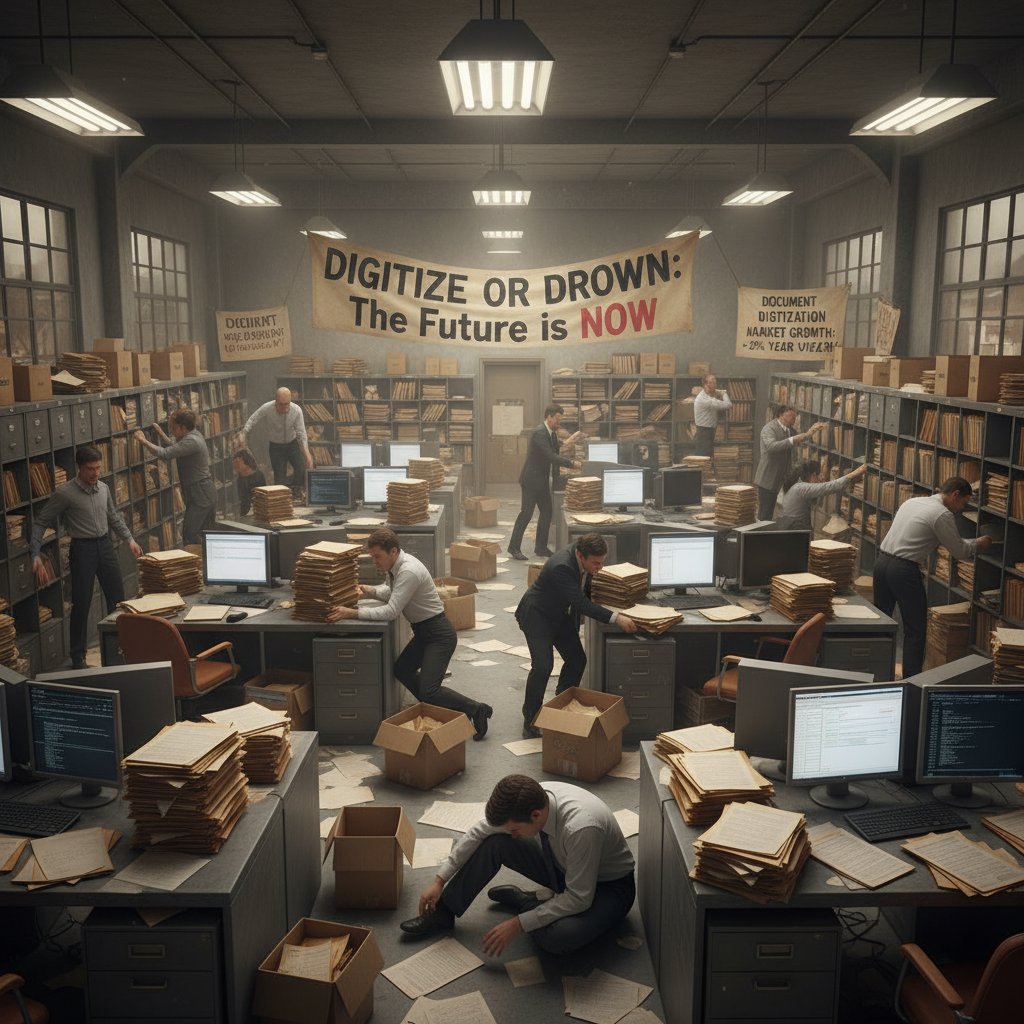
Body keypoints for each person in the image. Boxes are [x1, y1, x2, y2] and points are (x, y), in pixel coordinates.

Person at [400, 774, 635, 957]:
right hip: (563, 865)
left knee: (557, 938)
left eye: (515, 829)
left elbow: (579, 898)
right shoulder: (534, 797)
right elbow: (480, 830)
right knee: (495, 842)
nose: (513, 834)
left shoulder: (581, 828)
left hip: (608, 888)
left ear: (536, 815)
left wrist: (519, 924)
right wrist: (439, 880)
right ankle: (444, 912)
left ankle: (529, 903)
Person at [335, 527, 492, 739]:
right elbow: (393, 592)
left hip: (438, 634)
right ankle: (436, 708)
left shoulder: (408, 571)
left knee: (429, 690)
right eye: (372, 557)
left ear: (393, 551)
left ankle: (476, 709)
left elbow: (391, 610)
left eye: (377, 557)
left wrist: (352, 613)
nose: (375, 562)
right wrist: (369, 591)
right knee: (402, 669)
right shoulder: (396, 566)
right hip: (424, 632)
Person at [515, 533, 637, 738]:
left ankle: (562, 702)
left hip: (558, 613)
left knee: (577, 660)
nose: (600, 567)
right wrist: (616, 618)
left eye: (602, 562)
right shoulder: (562, 567)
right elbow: (580, 603)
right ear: (581, 556)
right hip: (537, 615)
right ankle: (530, 719)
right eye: (596, 563)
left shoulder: (580, 552)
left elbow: (583, 587)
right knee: (543, 666)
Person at [30, 447, 143, 669]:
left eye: (98, 467)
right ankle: (78, 656)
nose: (95, 473)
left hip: (105, 546)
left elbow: (113, 517)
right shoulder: (65, 493)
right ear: (79, 468)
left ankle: (120, 648)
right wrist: (35, 554)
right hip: (82, 549)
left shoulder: (104, 488)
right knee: (81, 603)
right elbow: (41, 521)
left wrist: (129, 539)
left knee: (118, 600)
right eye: (90, 469)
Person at [874, 477, 992, 679]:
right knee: (915, 631)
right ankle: (911, 682)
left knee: (882, 624)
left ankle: (877, 674)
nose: (961, 509)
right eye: (963, 503)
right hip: (903, 570)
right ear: (955, 495)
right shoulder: (942, 514)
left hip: (881, 562)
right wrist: (978, 543)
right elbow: (959, 550)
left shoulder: (913, 501)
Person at [507, 403, 581, 561]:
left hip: (541, 481)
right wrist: (571, 463)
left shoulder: (550, 432)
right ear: (548, 416)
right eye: (557, 418)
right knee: (526, 514)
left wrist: (567, 442)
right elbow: (550, 456)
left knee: (547, 512)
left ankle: (540, 547)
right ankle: (513, 548)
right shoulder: (539, 433)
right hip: (531, 481)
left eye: (560, 419)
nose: (559, 422)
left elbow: (554, 445)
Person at [134, 408, 216, 544]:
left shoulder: (192, 441)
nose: (171, 430)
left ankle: (197, 556)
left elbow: (166, 454)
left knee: (190, 533)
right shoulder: (192, 435)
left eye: (173, 427)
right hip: (199, 490)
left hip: (200, 492)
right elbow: (176, 447)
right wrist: (161, 434)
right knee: (200, 533)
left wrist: (143, 441)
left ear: (183, 427)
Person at [753, 404, 827, 522]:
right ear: (781, 415)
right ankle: (760, 532)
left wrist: (811, 432)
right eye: (791, 417)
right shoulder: (769, 429)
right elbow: (771, 447)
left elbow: (800, 439)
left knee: (787, 509)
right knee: (765, 513)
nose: (794, 419)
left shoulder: (790, 430)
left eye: (795, 417)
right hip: (769, 478)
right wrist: (793, 440)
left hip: (783, 477)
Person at [238, 387, 313, 490]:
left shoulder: (296, 410)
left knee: (301, 471)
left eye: (287, 404)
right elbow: (253, 419)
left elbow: (301, 433)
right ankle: (283, 495)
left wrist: (307, 454)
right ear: (276, 402)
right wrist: (244, 432)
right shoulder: (267, 407)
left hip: (292, 444)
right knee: (280, 479)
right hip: (276, 447)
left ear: (290, 400)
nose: (285, 408)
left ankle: (295, 492)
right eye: (281, 405)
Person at [776, 460, 868, 531]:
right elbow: (829, 487)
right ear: (813, 475)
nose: (821, 479)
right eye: (819, 475)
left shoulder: (797, 486)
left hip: (792, 529)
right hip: (796, 532)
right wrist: (856, 472)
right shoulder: (801, 488)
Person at [692, 373, 731, 458]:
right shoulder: (705, 399)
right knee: (703, 460)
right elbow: (728, 404)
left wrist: (719, 391)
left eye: (715, 381)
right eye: (712, 382)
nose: (715, 384)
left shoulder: (706, 393)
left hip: (708, 431)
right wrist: (724, 393)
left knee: (708, 459)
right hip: (704, 433)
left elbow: (715, 391)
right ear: (706, 385)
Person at [232, 448, 266, 516]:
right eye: (234, 463)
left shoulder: (258, 476)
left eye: (238, 462)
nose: (235, 465)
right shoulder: (239, 480)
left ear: (247, 462)